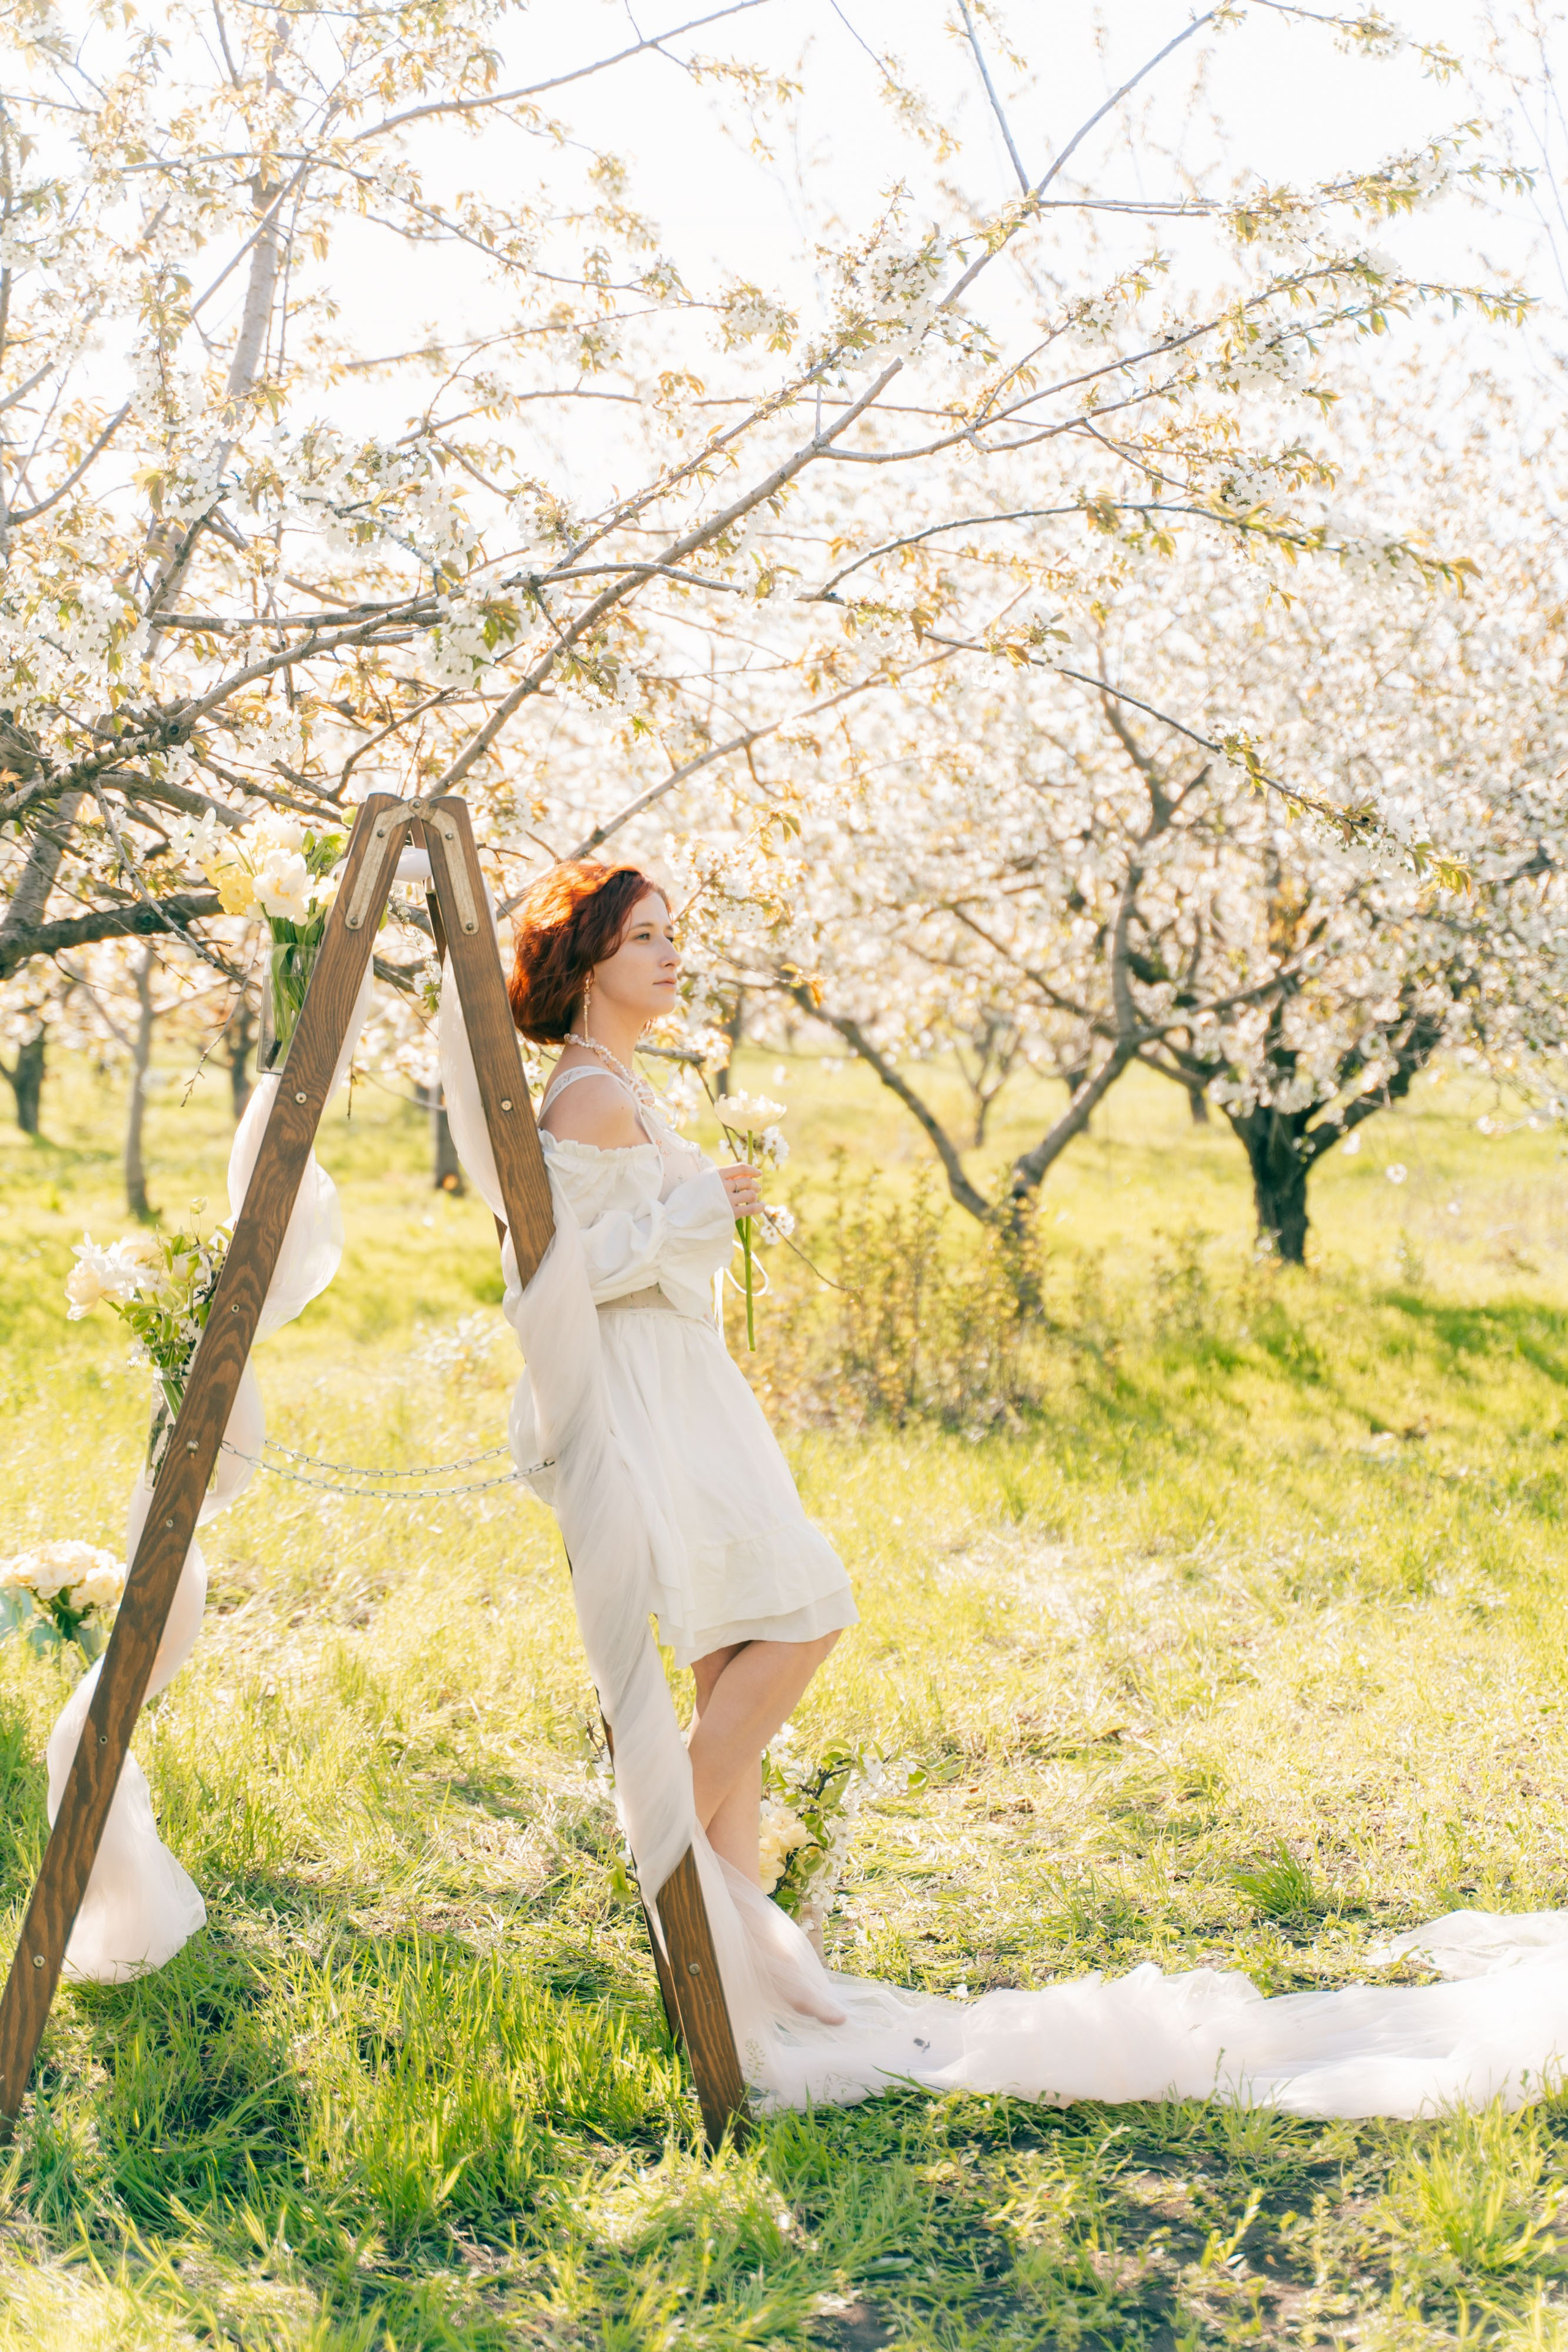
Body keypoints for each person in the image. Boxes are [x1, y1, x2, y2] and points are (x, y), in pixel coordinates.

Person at [506, 858, 858, 1888]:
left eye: (671, 933)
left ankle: (735, 1933)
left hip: (684, 1376)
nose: (673, 956)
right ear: (589, 960)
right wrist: (690, 1215)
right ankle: (656, 1851)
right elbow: (553, 1280)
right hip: (642, 1391)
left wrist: (688, 1211)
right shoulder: (584, 1099)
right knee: (804, 1614)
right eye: (646, 938)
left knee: (733, 1647)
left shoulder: (621, 1085)